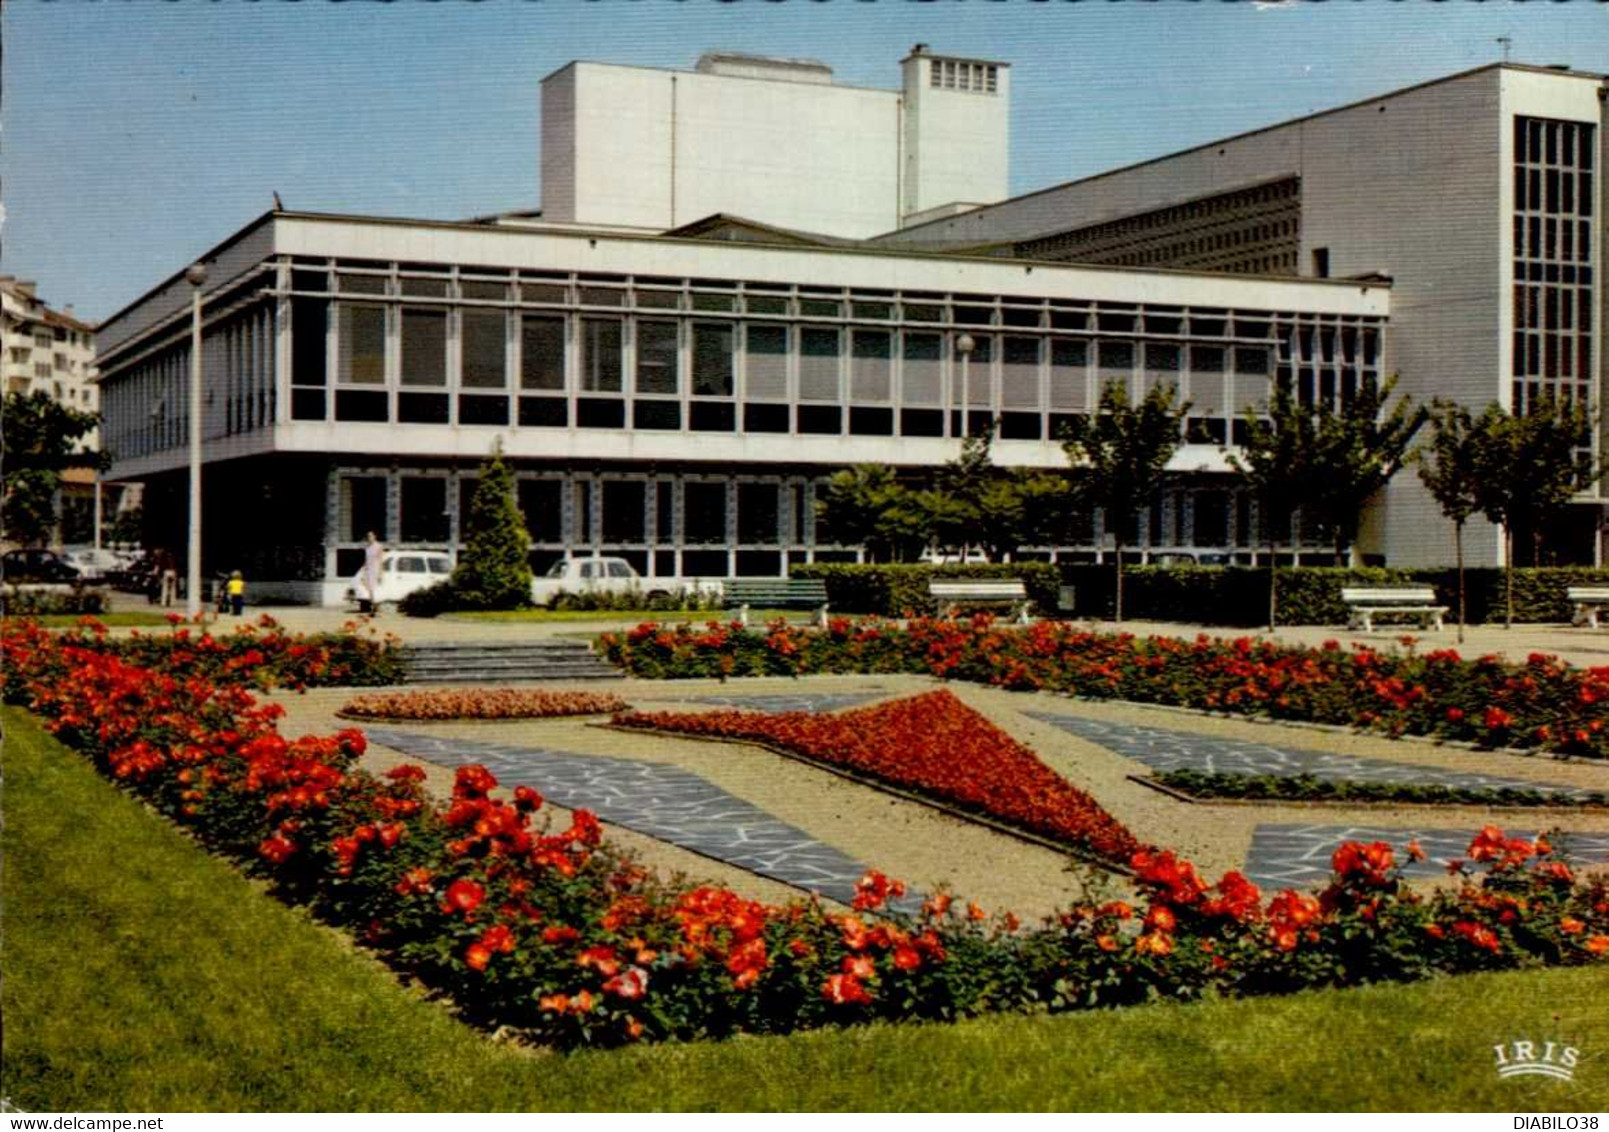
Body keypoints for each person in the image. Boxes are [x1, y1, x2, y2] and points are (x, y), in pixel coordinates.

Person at [361, 531, 384, 614]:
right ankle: (373, 608)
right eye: (368, 536)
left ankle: (376, 608)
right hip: (369, 570)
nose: (369, 538)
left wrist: (380, 574)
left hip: (376, 569)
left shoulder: (379, 546)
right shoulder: (367, 548)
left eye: (371, 536)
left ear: (375, 536)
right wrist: (363, 572)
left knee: (375, 590)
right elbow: (366, 560)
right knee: (370, 589)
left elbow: (381, 560)